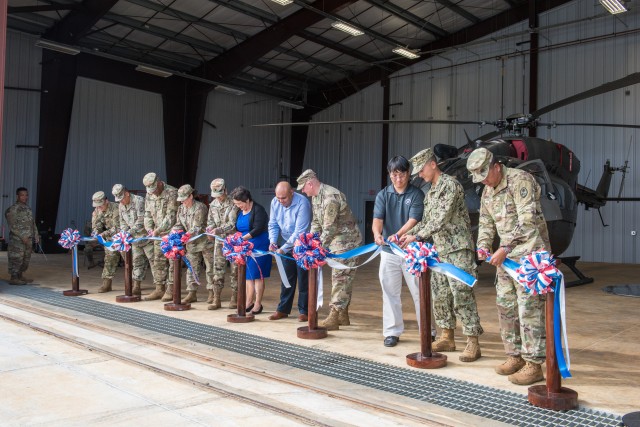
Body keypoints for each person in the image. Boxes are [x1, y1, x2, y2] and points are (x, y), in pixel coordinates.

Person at [467, 147, 550, 385]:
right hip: (506, 260)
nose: (483, 181)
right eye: (479, 178)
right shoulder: (487, 190)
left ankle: (534, 364)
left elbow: (528, 221)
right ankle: (515, 356)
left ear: (496, 166)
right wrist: (482, 246)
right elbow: (485, 222)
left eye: (485, 174)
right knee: (506, 306)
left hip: (528, 257)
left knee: (529, 310)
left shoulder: (520, 180)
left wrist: (504, 248)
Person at [401, 148, 483, 362]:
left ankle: (473, 341)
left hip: (458, 249)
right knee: (440, 295)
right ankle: (447, 335)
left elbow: (441, 220)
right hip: (440, 250)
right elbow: (427, 221)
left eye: (421, 170)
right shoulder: (431, 191)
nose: (420, 175)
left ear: (433, 164)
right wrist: (403, 235)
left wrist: (416, 237)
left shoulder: (450, 185)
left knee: (461, 294)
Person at [297, 169, 362, 330]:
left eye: (304, 187)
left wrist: (316, 249)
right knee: (343, 278)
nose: (303, 191)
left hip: (347, 242)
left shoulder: (330, 197)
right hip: (335, 241)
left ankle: (334, 315)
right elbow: (316, 223)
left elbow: (329, 228)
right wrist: (309, 242)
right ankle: (342, 315)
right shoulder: (316, 197)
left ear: (310, 183)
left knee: (340, 277)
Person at [372, 156, 425, 347]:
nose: (398, 178)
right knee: (389, 292)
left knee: (420, 292)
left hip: (412, 252)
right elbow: (377, 220)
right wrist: (378, 235)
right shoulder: (383, 195)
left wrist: (397, 234)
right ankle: (392, 332)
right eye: (394, 174)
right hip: (388, 252)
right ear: (390, 174)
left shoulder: (417, 194)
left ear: (408, 173)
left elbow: (414, 220)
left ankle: (428, 330)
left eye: (402, 173)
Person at [268, 181, 312, 321]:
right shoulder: (275, 202)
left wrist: (282, 248)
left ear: (292, 192)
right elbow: (273, 224)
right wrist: (273, 242)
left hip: (303, 244)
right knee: (286, 278)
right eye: (278, 198)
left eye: (284, 198)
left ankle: (304, 311)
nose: (280, 201)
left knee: (303, 278)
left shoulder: (302, 203)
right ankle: (283, 309)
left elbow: (300, 231)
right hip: (285, 243)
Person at [229, 186, 271, 315]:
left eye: (239, 203)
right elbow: (237, 227)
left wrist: (242, 239)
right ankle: (248, 301)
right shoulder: (239, 211)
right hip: (244, 246)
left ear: (247, 200)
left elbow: (257, 229)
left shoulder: (258, 210)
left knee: (257, 275)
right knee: (248, 276)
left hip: (258, 244)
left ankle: (258, 304)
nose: (238, 206)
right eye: (236, 204)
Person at [142, 172, 179, 301]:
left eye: (155, 189)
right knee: (158, 261)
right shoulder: (149, 194)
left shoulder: (172, 193)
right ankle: (159, 288)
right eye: (150, 190)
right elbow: (147, 214)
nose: (153, 192)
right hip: (157, 234)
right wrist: (149, 228)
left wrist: (157, 230)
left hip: (171, 234)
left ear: (159, 183)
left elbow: (171, 216)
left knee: (172, 262)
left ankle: (171, 289)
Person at [204, 179, 239, 310]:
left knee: (235, 271)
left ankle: (235, 298)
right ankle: (216, 298)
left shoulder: (233, 203)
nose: (218, 198)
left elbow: (232, 223)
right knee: (217, 270)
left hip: (233, 241)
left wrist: (218, 230)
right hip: (219, 241)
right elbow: (210, 221)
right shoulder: (213, 204)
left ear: (225, 190)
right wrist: (210, 230)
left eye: (220, 194)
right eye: (215, 195)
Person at [113, 184, 152, 296]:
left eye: (122, 198)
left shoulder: (139, 201)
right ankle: (136, 285)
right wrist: (124, 233)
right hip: (134, 239)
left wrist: (129, 232)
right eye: (119, 200)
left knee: (155, 262)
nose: (121, 201)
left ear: (127, 193)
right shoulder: (121, 205)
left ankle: (161, 287)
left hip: (146, 237)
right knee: (136, 261)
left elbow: (141, 220)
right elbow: (123, 222)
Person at [172, 184, 209, 304]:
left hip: (205, 243)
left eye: (184, 199)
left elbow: (197, 227)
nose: (182, 202)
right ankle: (192, 293)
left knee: (210, 268)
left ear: (191, 196)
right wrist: (174, 232)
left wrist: (185, 236)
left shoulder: (200, 207)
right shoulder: (181, 208)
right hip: (191, 244)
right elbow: (179, 224)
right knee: (191, 268)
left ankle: (213, 294)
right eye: (181, 200)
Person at [5, 187, 39, 285]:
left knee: (26, 258)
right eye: (22, 195)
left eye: (26, 195)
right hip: (17, 240)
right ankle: (14, 277)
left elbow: (32, 223)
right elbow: (12, 225)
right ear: (17, 196)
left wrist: (36, 234)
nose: (25, 197)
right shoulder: (13, 209)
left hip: (28, 239)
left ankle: (20, 275)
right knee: (16, 258)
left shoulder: (28, 209)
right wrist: (22, 236)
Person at [91, 191, 122, 293]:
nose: (99, 208)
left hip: (123, 238)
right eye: (97, 206)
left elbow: (117, 228)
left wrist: (103, 234)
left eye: (100, 205)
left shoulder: (116, 208)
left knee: (130, 261)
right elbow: (96, 225)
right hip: (110, 239)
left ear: (106, 201)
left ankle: (134, 284)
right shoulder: (97, 211)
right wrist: (95, 232)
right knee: (109, 259)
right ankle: (106, 284)